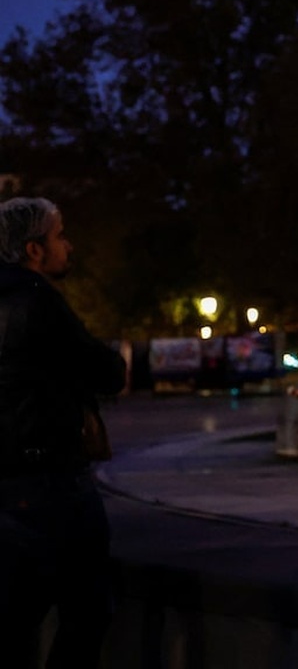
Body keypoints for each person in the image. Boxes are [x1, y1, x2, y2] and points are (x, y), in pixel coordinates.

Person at [0, 196, 126, 667]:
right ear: (33, 250)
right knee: (87, 609)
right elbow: (105, 371)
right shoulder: (38, 301)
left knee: (15, 618)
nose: (68, 247)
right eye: (59, 236)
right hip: (51, 482)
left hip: (8, 483)